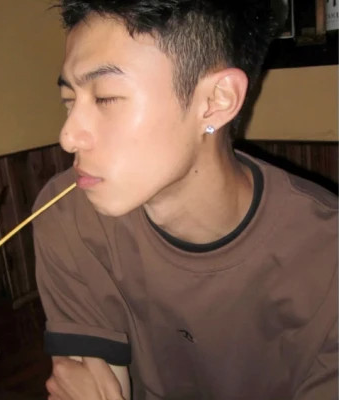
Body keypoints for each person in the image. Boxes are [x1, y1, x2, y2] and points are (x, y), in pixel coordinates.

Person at [32, 1, 338, 399]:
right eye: (69, 99)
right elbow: (90, 380)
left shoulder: (326, 258)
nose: (68, 136)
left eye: (106, 98)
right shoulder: (68, 213)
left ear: (216, 100)